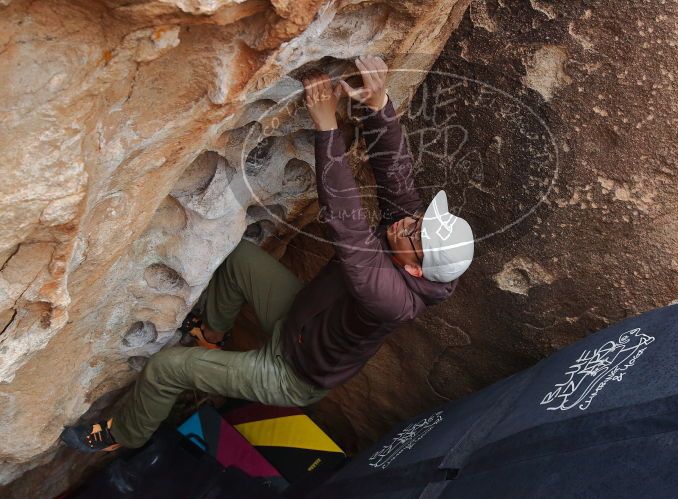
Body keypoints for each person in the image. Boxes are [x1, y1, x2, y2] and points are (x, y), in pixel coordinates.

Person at [61, 55, 475, 453]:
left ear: (415, 269)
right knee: (237, 258)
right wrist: (378, 104)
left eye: (417, 233)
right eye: (420, 219)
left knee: (164, 369)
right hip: (299, 317)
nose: (409, 221)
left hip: (290, 372)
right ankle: (212, 337)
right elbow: (396, 176)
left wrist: (326, 127)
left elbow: (345, 224)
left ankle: (126, 433)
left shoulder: (392, 300)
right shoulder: (410, 241)